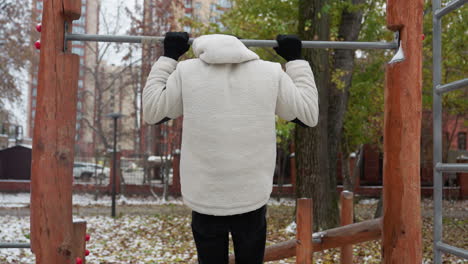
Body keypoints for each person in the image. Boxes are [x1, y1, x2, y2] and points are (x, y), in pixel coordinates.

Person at [142, 32, 319, 264]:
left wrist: (169, 58)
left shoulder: (187, 72)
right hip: (251, 196)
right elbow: (308, 115)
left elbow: (152, 111)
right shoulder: (270, 72)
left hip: (205, 196)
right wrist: (295, 60)